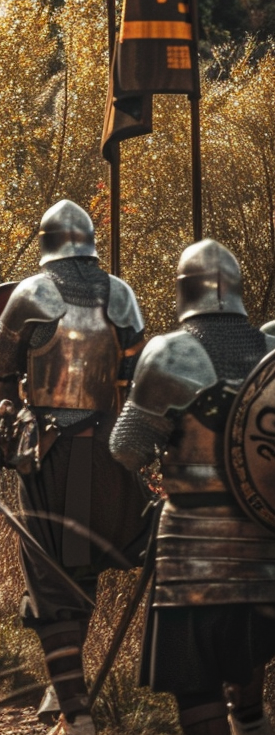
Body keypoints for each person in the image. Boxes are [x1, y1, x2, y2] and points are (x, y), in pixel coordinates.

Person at [0, 199, 150, 735]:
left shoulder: (32, 294)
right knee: (81, 568)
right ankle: (63, 692)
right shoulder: (120, 295)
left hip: (48, 453)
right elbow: (138, 378)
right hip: (108, 451)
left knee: (50, 575)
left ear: (47, 241)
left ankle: (75, 709)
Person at [111, 239, 275, 735]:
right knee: (249, 655)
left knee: (196, 679)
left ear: (185, 291)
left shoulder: (173, 353)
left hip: (193, 542)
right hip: (263, 538)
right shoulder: (270, 353)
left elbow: (126, 448)